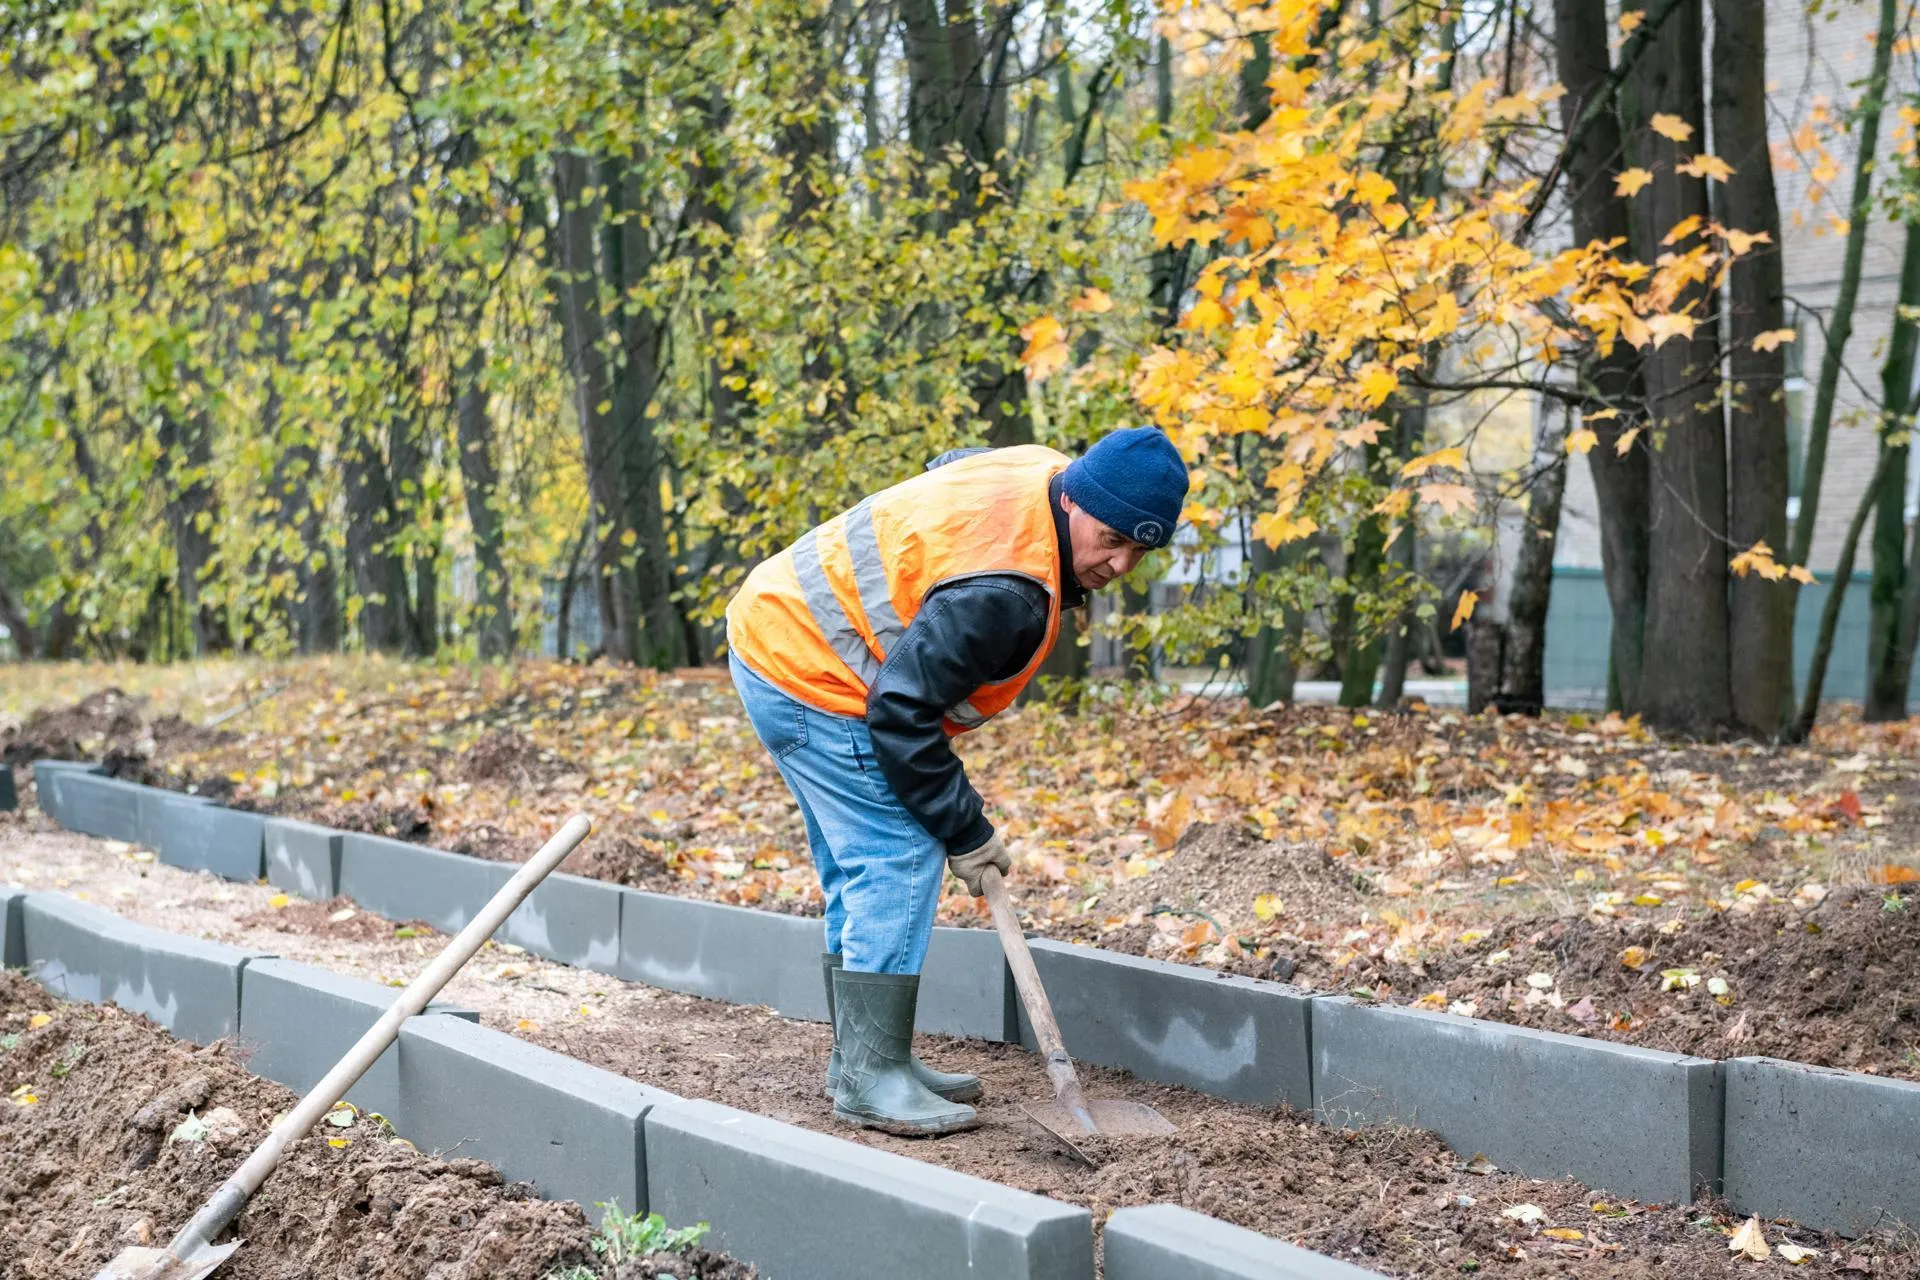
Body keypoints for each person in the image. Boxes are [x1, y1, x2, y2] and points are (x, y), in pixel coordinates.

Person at [725, 426, 1190, 1136]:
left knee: (865, 861)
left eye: (1139, 550)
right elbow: (901, 715)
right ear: (1076, 502)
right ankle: (869, 1076)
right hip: (811, 671)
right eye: (1111, 537)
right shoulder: (1005, 594)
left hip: (778, 631)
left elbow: (947, 467)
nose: (1120, 562)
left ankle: (867, 1058)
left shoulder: (1040, 473)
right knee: (898, 853)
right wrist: (966, 831)